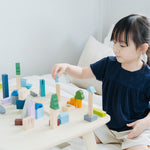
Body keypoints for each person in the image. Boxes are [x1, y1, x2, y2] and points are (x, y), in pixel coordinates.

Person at [51, 14, 150, 150]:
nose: (115, 48)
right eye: (114, 42)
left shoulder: (147, 77)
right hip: (107, 125)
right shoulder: (108, 64)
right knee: (73, 131)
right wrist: (67, 68)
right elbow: (82, 72)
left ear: (142, 48)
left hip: (133, 130)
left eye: (122, 45)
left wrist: (145, 122)